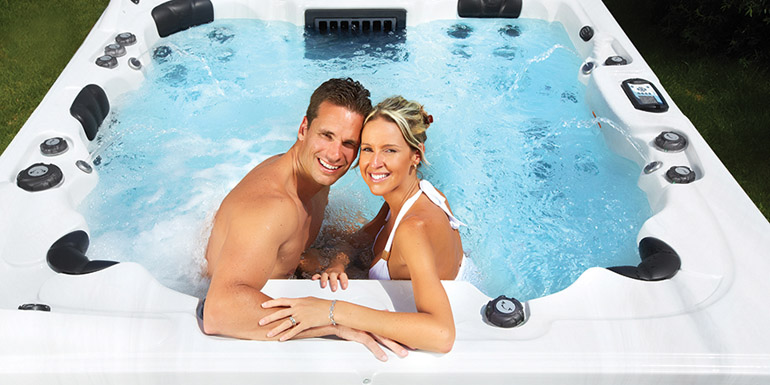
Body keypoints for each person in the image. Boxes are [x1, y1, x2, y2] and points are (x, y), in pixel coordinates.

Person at [201, 78, 406, 360]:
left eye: (348, 143)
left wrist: (340, 257)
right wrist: (335, 323)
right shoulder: (272, 209)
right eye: (326, 135)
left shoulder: (315, 173)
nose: (335, 154)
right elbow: (218, 310)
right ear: (303, 129)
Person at [259, 96, 466, 353]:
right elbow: (361, 239)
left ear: (416, 154)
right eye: (368, 149)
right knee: (311, 257)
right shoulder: (412, 194)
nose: (374, 163)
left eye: (389, 150)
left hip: (453, 308)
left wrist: (332, 311)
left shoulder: (413, 229)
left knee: (301, 265)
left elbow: (442, 335)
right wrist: (339, 261)